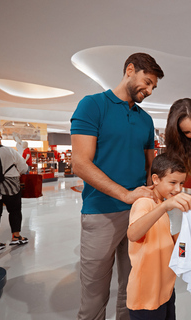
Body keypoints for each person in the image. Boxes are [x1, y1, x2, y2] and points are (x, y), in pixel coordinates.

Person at [70, 52, 164, 320]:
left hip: (138, 213)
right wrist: (125, 194)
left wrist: (153, 202)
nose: (149, 90)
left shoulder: (146, 120)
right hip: (101, 212)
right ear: (130, 70)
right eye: (147, 82)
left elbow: (150, 169)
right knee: (94, 292)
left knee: (132, 286)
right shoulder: (92, 105)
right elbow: (81, 164)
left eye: (153, 87)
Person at [126, 153, 191, 320]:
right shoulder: (145, 202)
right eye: (172, 182)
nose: (178, 189)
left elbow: (173, 242)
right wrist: (164, 206)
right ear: (156, 179)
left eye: (181, 183)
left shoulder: (166, 205)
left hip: (165, 289)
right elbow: (133, 234)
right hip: (146, 295)